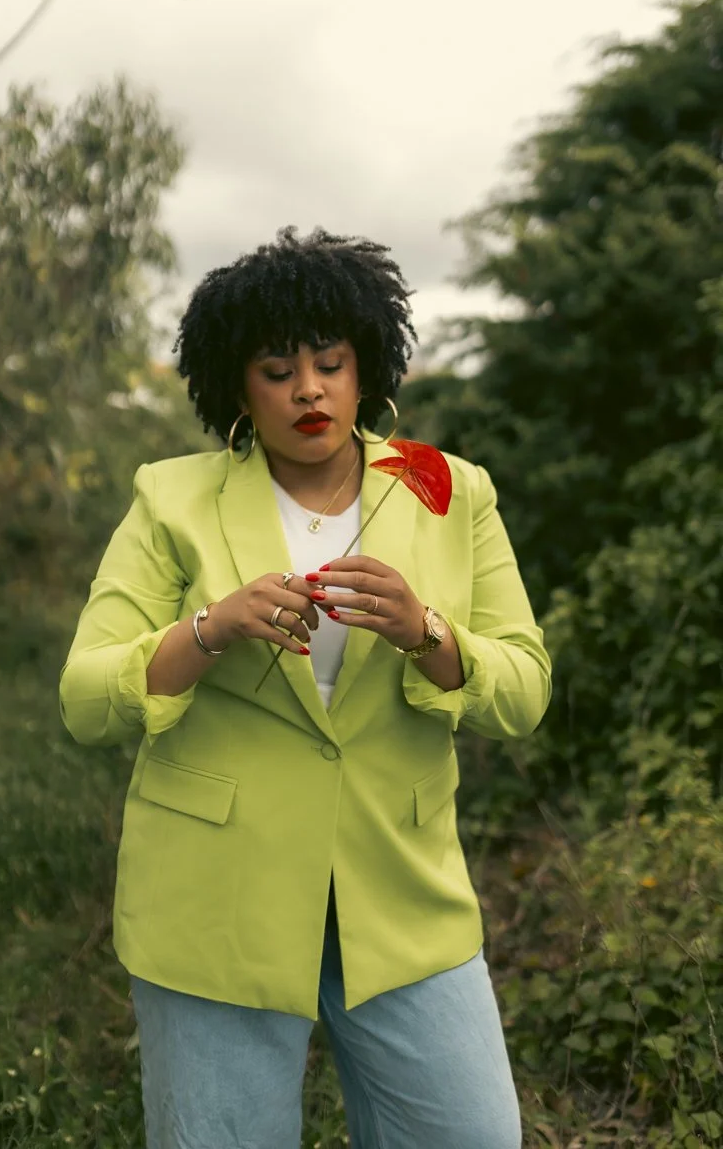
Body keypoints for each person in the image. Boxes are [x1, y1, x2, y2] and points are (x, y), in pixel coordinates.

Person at [59, 226, 552, 1149]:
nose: (309, 390)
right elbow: (85, 699)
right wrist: (209, 629)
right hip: (215, 903)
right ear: (236, 386)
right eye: (278, 370)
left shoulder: (449, 489)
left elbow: (524, 690)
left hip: (401, 892)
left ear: (369, 368)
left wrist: (427, 632)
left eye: (330, 363)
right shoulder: (171, 498)